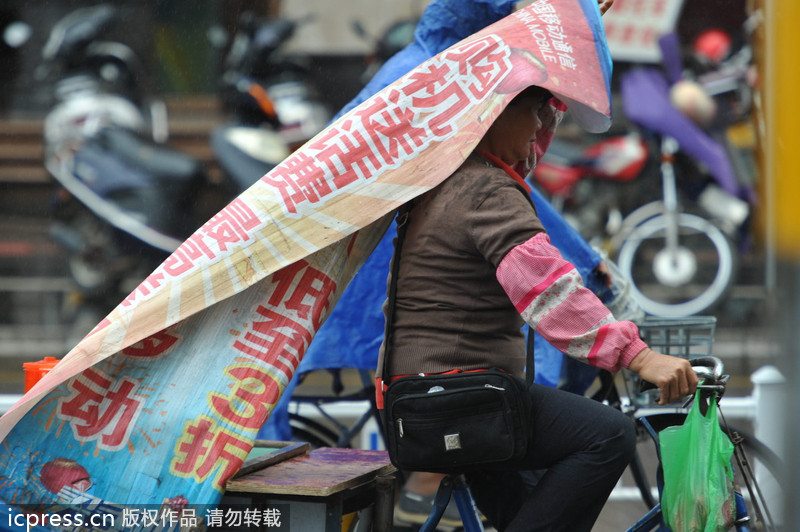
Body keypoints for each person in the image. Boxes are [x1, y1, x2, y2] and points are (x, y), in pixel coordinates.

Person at [378, 85, 698, 532]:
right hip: (457, 399)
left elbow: (526, 150)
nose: (539, 126)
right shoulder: (486, 191)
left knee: (531, 506)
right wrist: (637, 356)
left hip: (431, 396)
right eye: (533, 112)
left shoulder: (454, 180)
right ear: (494, 115)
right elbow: (548, 291)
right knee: (609, 433)